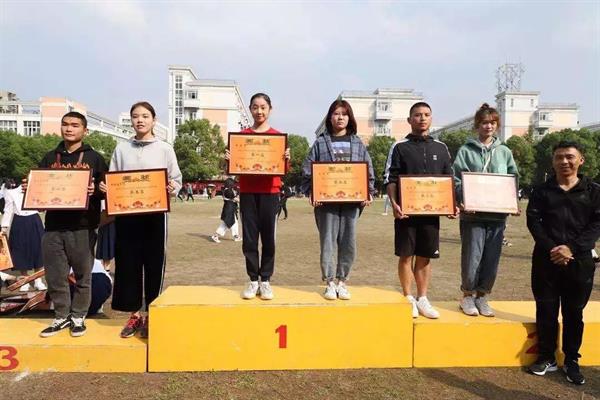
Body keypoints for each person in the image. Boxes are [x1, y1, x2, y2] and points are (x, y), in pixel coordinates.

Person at [100, 101, 181, 339]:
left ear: (154, 120)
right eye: (136, 116)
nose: (140, 120)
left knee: (154, 264)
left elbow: (176, 179)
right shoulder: (121, 149)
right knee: (128, 264)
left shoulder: (164, 149)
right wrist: (108, 188)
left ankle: (151, 314)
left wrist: (172, 187)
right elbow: (114, 178)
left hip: (155, 215)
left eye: (145, 116)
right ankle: (134, 314)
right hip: (128, 216)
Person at [28, 112, 108, 337]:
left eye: (75, 125)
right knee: (55, 275)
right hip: (53, 225)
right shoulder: (49, 157)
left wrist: (96, 191)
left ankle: (79, 316)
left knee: (83, 275)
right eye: (65, 124)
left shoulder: (95, 158)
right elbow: (41, 187)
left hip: (83, 226)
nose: (69, 129)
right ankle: (61, 316)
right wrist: (30, 189)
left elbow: (108, 190)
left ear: (85, 130)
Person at [526, 141, 599, 385]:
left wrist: (571, 249)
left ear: (581, 160)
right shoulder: (541, 191)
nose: (564, 161)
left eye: (569, 156)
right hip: (546, 259)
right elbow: (534, 222)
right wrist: (553, 248)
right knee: (546, 309)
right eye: (559, 157)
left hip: (580, 261)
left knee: (573, 312)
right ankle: (547, 357)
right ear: (553, 161)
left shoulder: (594, 192)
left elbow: (596, 225)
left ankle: (571, 360)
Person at [384, 102, 456, 319]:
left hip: (431, 213)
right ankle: (408, 297)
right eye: (417, 115)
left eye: (426, 114)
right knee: (406, 255)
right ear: (409, 120)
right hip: (406, 212)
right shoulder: (399, 147)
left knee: (425, 256)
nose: (422, 118)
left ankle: (422, 297)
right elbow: (391, 178)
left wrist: (452, 204)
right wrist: (394, 204)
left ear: (431, 118)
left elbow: (448, 179)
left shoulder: (441, 148)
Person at [301, 99, 375, 300]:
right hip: (326, 204)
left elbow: (367, 169)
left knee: (348, 242)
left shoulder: (357, 143)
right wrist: (312, 192)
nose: (340, 117)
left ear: (349, 118)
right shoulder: (320, 143)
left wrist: (368, 191)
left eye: (344, 113)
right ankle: (329, 282)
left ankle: (342, 281)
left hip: (351, 203)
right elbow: (307, 169)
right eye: (336, 113)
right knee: (327, 242)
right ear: (329, 117)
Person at [452, 103, 518, 317]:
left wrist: (512, 202)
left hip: (497, 216)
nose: (488, 126)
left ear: (497, 125)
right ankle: (467, 296)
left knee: (491, 258)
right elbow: (456, 179)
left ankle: (482, 296)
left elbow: (512, 178)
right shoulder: (466, 150)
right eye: (484, 123)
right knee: (472, 257)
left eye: (492, 123)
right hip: (472, 215)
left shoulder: (504, 151)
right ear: (477, 125)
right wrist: (463, 199)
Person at [225, 93, 290, 300]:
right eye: (255, 107)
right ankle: (253, 280)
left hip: (270, 193)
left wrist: (286, 159)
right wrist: (228, 159)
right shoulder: (241, 137)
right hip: (248, 192)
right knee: (250, 239)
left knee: (269, 238)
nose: (259, 111)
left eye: (263, 107)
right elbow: (232, 169)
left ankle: (266, 280)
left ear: (270, 109)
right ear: (250, 109)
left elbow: (284, 170)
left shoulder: (277, 137)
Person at [1, 182, 46, 291]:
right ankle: (25, 280)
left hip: (34, 220)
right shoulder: (11, 193)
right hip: (19, 222)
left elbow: (42, 206)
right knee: (20, 250)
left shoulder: (36, 190)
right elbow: (8, 210)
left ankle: (38, 280)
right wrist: (4, 228)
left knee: (38, 249)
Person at [211, 178, 242, 243]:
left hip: (231, 208)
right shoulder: (228, 191)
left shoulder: (227, 190)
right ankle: (216, 235)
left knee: (234, 222)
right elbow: (235, 199)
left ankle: (236, 236)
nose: (233, 184)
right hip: (229, 209)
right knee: (226, 223)